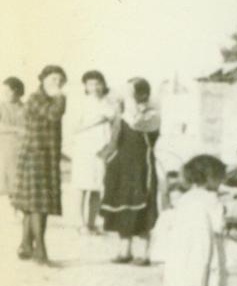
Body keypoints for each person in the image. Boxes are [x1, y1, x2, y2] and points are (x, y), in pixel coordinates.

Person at [164, 155, 227, 286]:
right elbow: (218, 226)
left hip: (180, 250)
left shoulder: (185, 198)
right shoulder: (211, 199)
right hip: (200, 250)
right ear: (211, 177)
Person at [11, 65, 68, 264]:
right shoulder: (37, 99)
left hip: (46, 156)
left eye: (60, 80)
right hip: (36, 156)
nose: (57, 83)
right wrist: (61, 97)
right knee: (38, 205)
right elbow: (53, 115)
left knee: (32, 204)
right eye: (53, 79)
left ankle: (26, 245)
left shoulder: (50, 99)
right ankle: (40, 251)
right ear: (42, 79)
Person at [101, 77, 160, 264]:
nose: (129, 96)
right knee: (122, 203)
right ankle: (125, 250)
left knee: (142, 204)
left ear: (143, 94)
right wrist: (108, 158)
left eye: (132, 92)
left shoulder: (152, 115)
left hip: (141, 165)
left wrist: (127, 104)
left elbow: (136, 122)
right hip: (122, 164)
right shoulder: (122, 114)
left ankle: (145, 253)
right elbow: (115, 137)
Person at [71, 69, 119, 233]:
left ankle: (91, 223)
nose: (95, 87)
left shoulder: (109, 102)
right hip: (84, 148)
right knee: (82, 186)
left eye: (98, 83)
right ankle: (80, 223)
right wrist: (99, 119)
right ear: (85, 86)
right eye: (91, 84)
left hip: (102, 147)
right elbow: (75, 127)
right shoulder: (81, 103)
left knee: (97, 186)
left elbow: (115, 123)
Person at [0, 76, 26, 205]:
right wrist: (16, 129)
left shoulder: (25, 107)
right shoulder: (1, 106)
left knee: (20, 178)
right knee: (6, 177)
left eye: (8, 91)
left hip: (22, 147)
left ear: (17, 91)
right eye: (4, 91)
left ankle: (17, 207)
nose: (6, 94)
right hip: (5, 147)